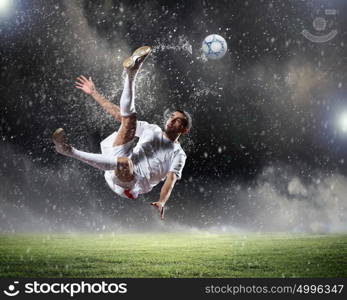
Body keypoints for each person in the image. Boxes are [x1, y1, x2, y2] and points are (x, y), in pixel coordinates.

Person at [52, 46, 192, 220]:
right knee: (129, 121)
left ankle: (68, 150)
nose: (171, 119)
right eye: (172, 115)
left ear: (183, 129)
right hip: (119, 160)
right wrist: (94, 93)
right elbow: (120, 114)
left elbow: (170, 181)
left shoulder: (179, 154)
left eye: (177, 120)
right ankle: (132, 73)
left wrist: (162, 201)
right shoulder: (152, 129)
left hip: (131, 185)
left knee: (125, 163)